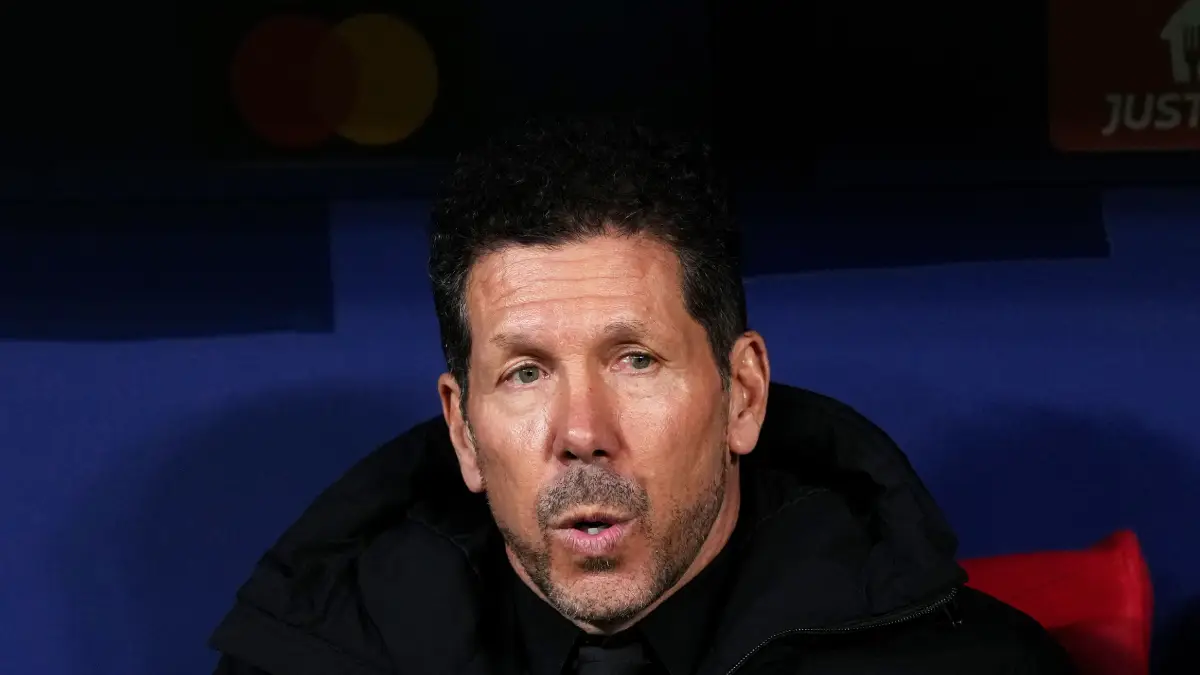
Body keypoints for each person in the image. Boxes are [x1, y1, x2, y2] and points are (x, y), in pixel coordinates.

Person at [209, 117, 1076, 675]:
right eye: (525, 373)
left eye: (635, 360)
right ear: (464, 434)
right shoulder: (306, 663)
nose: (583, 432)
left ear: (741, 393)